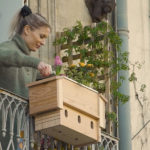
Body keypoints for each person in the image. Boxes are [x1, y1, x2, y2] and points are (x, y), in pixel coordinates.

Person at [0, 5, 52, 98]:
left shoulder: (31, 65)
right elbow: (11, 56)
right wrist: (35, 63)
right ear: (27, 30)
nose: (43, 43)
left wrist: (52, 74)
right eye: (41, 36)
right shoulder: (6, 48)